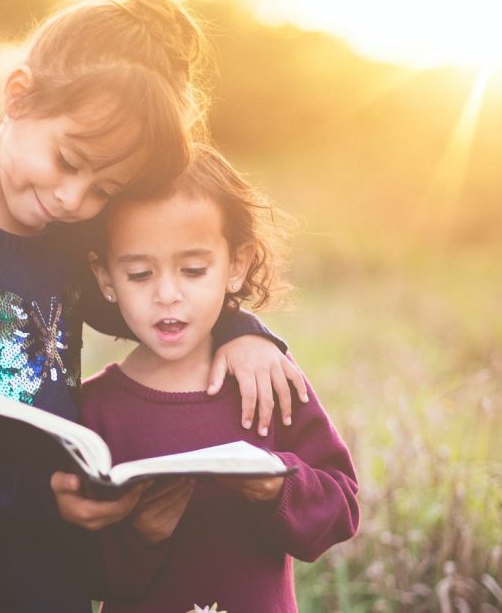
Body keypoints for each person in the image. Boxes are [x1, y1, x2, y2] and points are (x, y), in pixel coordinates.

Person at [0, 0, 308, 612]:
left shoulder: (60, 233)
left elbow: (146, 305)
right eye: (69, 160)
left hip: (46, 542)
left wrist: (241, 330)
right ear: (18, 96)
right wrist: (40, 493)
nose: (74, 199)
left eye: (104, 189)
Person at [81, 145, 360, 613]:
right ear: (105, 277)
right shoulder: (94, 410)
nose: (167, 295)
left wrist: (278, 486)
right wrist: (141, 535)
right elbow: (78, 570)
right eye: (139, 273)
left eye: (193, 270)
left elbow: (342, 508)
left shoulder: (267, 380)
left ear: (236, 265)